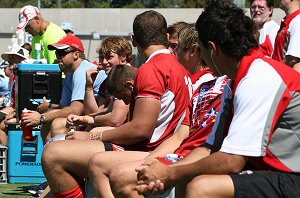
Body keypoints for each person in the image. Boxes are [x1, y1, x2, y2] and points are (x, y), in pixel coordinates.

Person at [135, 1, 300, 197]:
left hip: (293, 176)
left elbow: (232, 161)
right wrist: (166, 170)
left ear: (212, 49)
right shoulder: (235, 81)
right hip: (275, 172)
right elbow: (209, 148)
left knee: (201, 187)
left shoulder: (259, 77)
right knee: (187, 177)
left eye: (201, 50)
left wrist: (171, 172)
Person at [41, 10, 190, 198]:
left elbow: (140, 129)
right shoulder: (178, 66)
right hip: (160, 147)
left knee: (52, 154)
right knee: (59, 146)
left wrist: (94, 136)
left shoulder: (151, 69)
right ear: (166, 37)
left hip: (148, 150)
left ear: (134, 41)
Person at [86, 25, 231, 198]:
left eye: (178, 47)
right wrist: (151, 161)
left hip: (180, 155)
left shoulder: (156, 70)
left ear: (194, 51)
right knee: (99, 162)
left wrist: (93, 133)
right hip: (174, 152)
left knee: (96, 164)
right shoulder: (202, 88)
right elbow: (180, 135)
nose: (174, 51)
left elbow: (130, 124)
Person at [21, 35, 106, 144]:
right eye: (57, 54)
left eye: (62, 53)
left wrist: (41, 117)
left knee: (57, 124)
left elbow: (76, 110)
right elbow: (65, 107)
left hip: (99, 118)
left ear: (76, 54)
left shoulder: (82, 71)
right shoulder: (70, 73)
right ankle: (50, 158)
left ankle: (60, 158)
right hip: (89, 116)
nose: (58, 58)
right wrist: (49, 107)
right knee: (48, 122)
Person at [66, 36, 132, 129]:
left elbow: (116, 119)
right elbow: (94, 112)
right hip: (116, 127)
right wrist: (88, 86)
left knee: (91, 130)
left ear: (123, 56)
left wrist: (85, 120)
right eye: (102, 58)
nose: (104, 62)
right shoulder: (107, 81)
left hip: (126, 132)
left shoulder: (125, 78)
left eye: (109, 57)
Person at [271, 0, 300, 72]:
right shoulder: (290, 20)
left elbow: (293, 59)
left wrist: (273, 72)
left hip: (284, 78)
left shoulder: (298, 21)